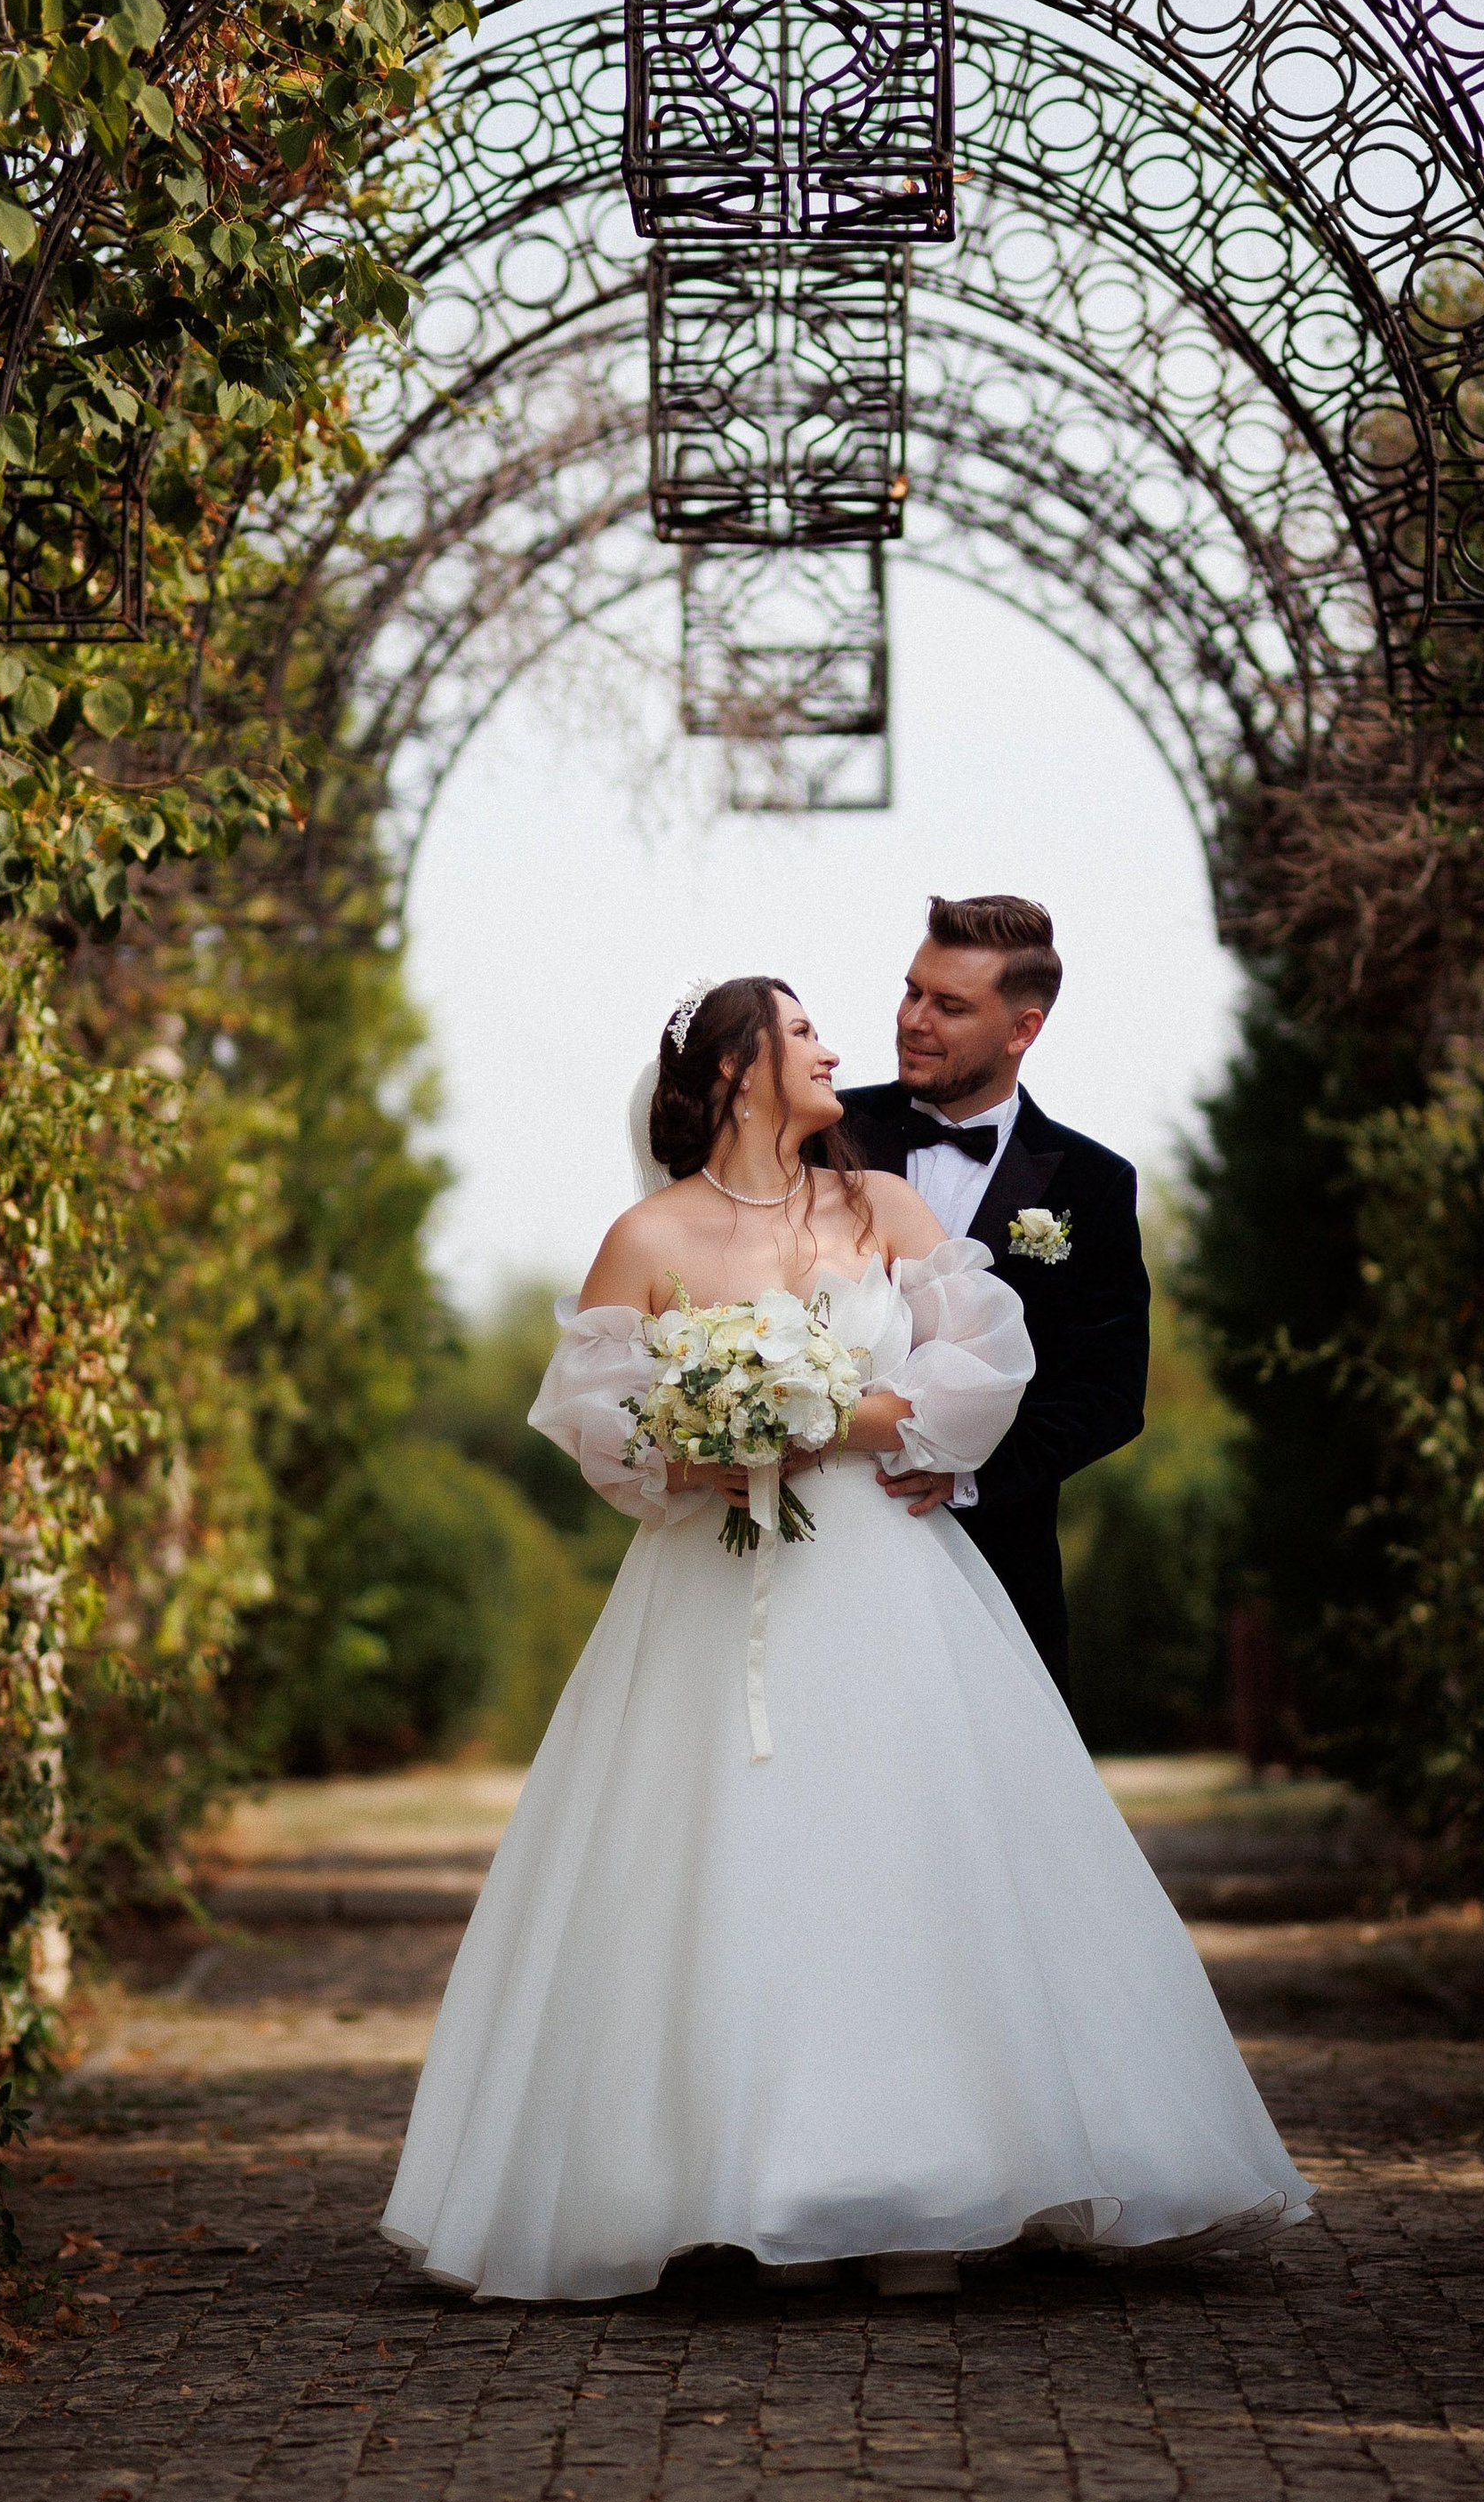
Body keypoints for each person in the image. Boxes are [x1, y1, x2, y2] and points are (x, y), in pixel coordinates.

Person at [378, 973, 1310, 2305]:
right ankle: (739, 2187)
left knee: (902, 1852)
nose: (835, 1046)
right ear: (742, 1071)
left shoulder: (878, 1206)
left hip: (885, 1574)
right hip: (712, 1590)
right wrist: (705, 1446)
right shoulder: (647, 1235)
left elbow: (985, 1364)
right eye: (803, 1028)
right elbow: (602, 1425)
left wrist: (846, 1417)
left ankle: (927, 2187)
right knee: (723, 1860)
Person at [824, 893, 1150, 1694]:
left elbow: (1109, 1394)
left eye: (950, 1005)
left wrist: (967, 1473)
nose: (914, 1019)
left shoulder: (1091, 1184)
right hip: (822, 1544)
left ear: (1022, 1029)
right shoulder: (820, 1137)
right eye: (912, 991)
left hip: (998, 1558)